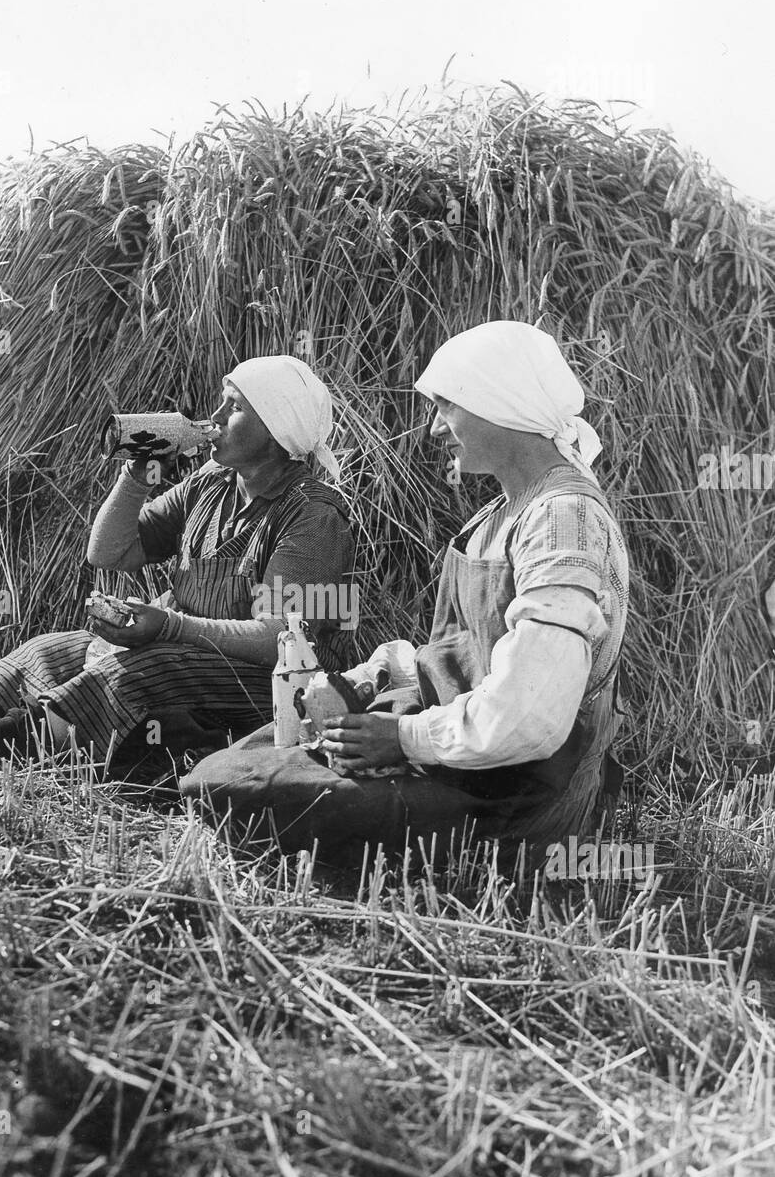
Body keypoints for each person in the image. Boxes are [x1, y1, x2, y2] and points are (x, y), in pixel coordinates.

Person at [180, 321, 630, 876]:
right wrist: (377, 673)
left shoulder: (564, 519)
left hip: (515, 788)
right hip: (459, 746)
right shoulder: (500, 513)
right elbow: (463, 651)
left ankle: (469, 855)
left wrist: (404, 737)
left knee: (230, 788)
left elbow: (530, 717)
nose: (436, 428)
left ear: (500, 403)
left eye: (447, 406)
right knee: (244, 760)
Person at [0, 356, 355, 774]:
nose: (212, 419)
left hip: (277, 684)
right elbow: (110, 552)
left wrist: (170, 626)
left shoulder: (313, 513)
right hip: (194, 653)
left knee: (142, 670)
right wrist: (135, 475)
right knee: (52, 650)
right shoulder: (213, 483)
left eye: (233, 409)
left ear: (275, 430)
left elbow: (283, 637)